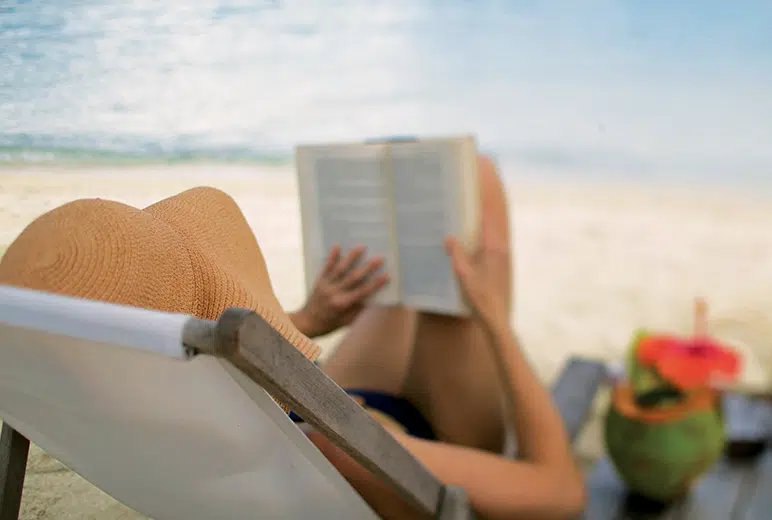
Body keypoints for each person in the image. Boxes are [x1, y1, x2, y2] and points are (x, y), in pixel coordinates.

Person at [287, 156, 586, 519]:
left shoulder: (255, 432)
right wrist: (494, 319)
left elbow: (228, 339)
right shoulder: (338, 445)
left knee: (411, 250)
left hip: (320, 414)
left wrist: (306, 320)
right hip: (389, 452)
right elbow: (563, 492)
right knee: (473, 181)